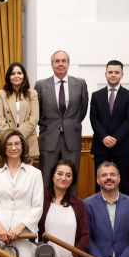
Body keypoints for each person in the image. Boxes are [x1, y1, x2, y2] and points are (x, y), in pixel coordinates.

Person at [0, 129, 45, 257]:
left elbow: (37, 207)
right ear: (2, 148)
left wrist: (18, 230)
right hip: (0, 236)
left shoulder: (35, 174)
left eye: (17, 144)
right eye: (9, 144)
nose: (13, 147)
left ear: (23, 146)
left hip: (26, 236)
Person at [34, 49, 89, 180]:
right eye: (57, 61)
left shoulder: (80, 84)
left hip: (72, 139)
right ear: (52, 64)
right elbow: (37, 112)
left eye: (64, 61)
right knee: (46, 178)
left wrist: (70, 124)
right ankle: (47, 202)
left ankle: (69, 202)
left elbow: (82, 110)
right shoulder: (41, 85)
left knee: (71, 179)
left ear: (68, 64)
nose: (60, 64)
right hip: (48, 139)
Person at [39, 160, 90, 257]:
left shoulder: (79, 205)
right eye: (60, 173)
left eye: (68, 175)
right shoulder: (40, 201)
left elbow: (84, 236)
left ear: (72, 179)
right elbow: (36, 232)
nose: (63, 178)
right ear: (52, 176)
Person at [89, 60, 129, 196]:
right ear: (105, 74)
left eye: (117, 72)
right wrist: (104, 137)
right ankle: (100, 214)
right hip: (101, 146)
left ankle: (126, 215)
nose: (113, 75)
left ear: (122, 74)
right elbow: (94, 119)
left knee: (124, 182)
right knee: (100, 181)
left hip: (122, 147)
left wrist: (115, 138)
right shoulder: (96, 96)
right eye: (110, 72)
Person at [0, 61, 39, 162]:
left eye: (19, 73)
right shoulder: (2, 94)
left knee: (27, 176)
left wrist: (17, 136)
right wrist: (10, 137)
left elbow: (34, 119)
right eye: (13, 73)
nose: (16, 76)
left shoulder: (32, 94)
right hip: (7, 141)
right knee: (7, 176)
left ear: (24, 76)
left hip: (28, 140)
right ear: (9, 77)